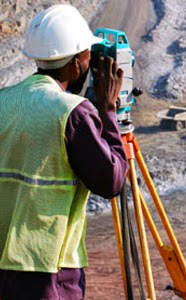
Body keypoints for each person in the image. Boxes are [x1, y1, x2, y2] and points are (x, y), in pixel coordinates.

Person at [0, 4, 129, 300]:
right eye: (87, 55)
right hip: (48, 269)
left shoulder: (4, 100)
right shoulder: (73, 113)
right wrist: (108, 109)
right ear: (76, 64)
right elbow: (113, 181)